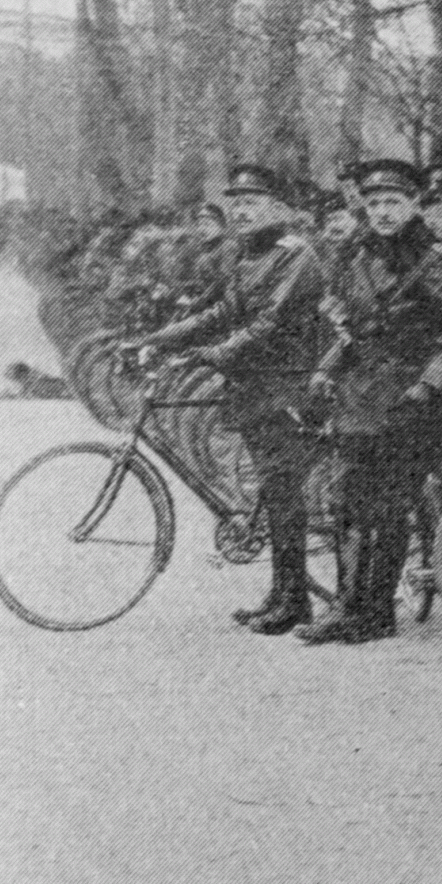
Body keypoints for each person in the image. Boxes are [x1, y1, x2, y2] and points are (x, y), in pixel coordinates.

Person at [135, 164, 331, 634]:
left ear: (281, 209)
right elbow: (222, 311)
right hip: (256, 386)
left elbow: (270, 323)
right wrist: (161, 339)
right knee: (273, 489)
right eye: (236, 203)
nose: (241, 211)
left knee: (284, 494)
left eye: (253, 202)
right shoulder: (248, 255)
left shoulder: (297, 255)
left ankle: (296, 601)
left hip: (288, 384)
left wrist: (208, 356)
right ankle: (282, 593)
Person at [302, 160, 442, 645]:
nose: (381, 212)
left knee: (385, 509)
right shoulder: (360, 256)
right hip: (359, 398)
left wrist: (427, 387)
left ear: (415, 204)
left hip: (409, 403)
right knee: (345, 504)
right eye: (374, 203)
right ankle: (345, 606)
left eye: (393, 202)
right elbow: (355, 330)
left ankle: (377, 612)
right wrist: (327, 367)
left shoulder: (434, 258)